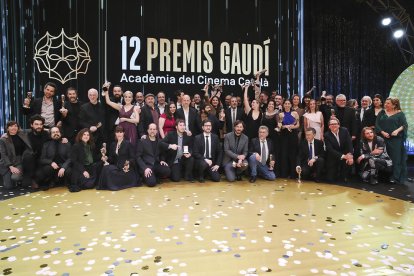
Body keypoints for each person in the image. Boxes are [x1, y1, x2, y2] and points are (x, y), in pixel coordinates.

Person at [376, 97, 408, 184]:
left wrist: (397, 130)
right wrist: (382, 132)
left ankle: (395, 177)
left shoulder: (400, 114)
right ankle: (382, 176)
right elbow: (377, 124)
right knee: (382, 157)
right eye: (385, 103)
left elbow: (404, 125)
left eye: (388, 103)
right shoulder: (382, 112)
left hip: (395, 140)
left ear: (394, 105)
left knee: (395, 158)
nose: (385, 104)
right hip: (383, 139)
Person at [97, 126, 139, 191]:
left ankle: (113, 184)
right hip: (117, 167)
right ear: (115, 133)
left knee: (114, 173)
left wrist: (127, 164)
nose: (119, 134)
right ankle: (108, 185)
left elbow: (133, 158)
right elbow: (111, 159)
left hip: (126, 169)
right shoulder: (113, 144)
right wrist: (106, 158)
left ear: (123, 133)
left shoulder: (128, 144)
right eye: (117, 132)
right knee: (106, 168)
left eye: (120, 132)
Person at [0, 121, 33, 189]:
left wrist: (48, 129)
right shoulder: (3, 139)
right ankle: (9, 175)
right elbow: (3, 154)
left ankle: (20, 177)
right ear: (8, 128)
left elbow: (32, 129)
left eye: (15, 126)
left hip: (18, 160)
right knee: (8, 187)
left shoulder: (22, 133)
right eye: (11, 126)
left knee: (15, 178)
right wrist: (10, 166)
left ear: (18, 128)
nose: (14, 128)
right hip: (7, 162)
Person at [324, 118, 354, 183]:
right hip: (333, 156)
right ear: (329, 126)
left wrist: (350, 155)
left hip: (345, 153)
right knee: (330, 179)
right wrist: (343, 156)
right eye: (331, 124)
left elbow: (349, 144)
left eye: (335, 124)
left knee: (350, 161)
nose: (334, 125)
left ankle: (344, 175)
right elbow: (330, 150)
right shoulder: (326, 135)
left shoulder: (345, 131)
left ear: (339, 125)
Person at [278, 99, 300, 178]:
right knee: (284, 154)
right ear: (283, 105)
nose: (287, 105)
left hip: (293, 135)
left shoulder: (295, 113)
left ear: (291, 105)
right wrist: (284, 126)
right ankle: (284, 174)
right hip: (284, 136)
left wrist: (291, 126)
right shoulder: (281, 114)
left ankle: (293, 174)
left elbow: (298, 125)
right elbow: (280, 124)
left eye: (288, 103)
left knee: (293, 154)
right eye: (285, 103)